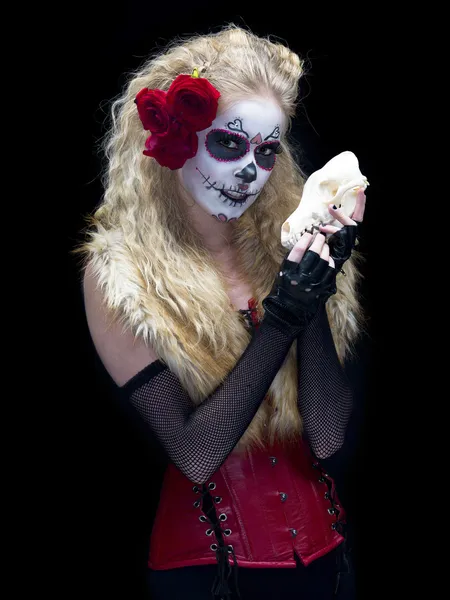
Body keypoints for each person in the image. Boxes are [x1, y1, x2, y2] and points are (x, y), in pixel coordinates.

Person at [79, 24, 367, 600]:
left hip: (327, 567)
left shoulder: (282, 244)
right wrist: (283, 315)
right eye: (229, 144)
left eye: (266, 152)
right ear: (178, 139)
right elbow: (196, 455)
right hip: (213, 580)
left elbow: (330, 442)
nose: (248, 173)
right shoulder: (120, 277)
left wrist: (308, 301)